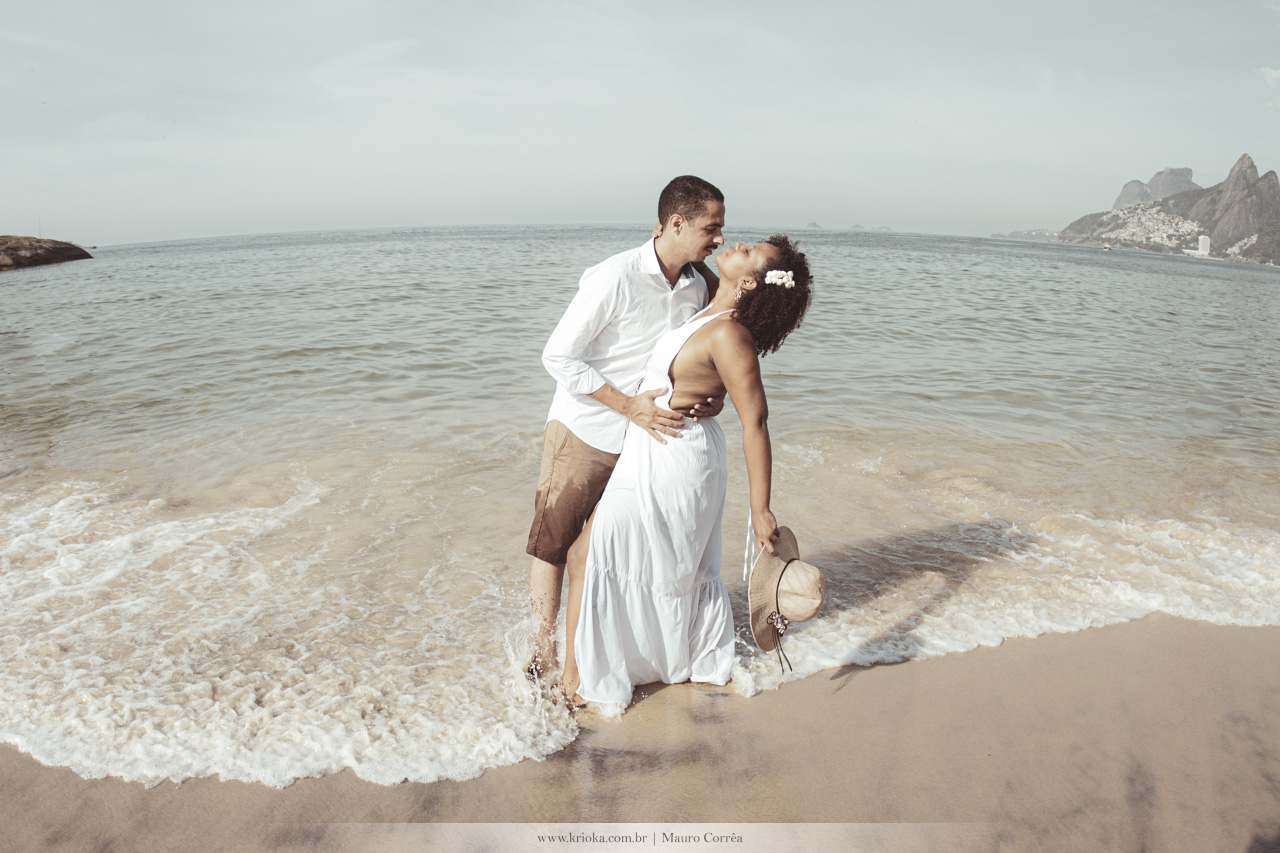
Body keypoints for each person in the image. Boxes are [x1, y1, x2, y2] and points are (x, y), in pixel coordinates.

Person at [558, 234, 813, 706]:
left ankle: (577, 681)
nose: (736, 244)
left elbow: (756, 422)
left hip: (678, 459)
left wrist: (760, 509)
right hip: (654, 448)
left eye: (748, 252)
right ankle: (621, 666)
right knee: (616, 560)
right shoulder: (710, 307)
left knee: (587, 556)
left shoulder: (731, 335)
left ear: (749, 282)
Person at [526, 176, 729, 677]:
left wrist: (711, 398)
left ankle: (595, 657)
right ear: (676, 223)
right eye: (711, 227)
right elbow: (558, 356)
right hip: (586, 429)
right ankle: (542, 654)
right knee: (554, 545)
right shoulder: (615, 276)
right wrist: (627, 406)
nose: (720, 238)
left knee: (604, 553)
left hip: (647, 445)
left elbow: (698, 356)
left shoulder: (699, 285)